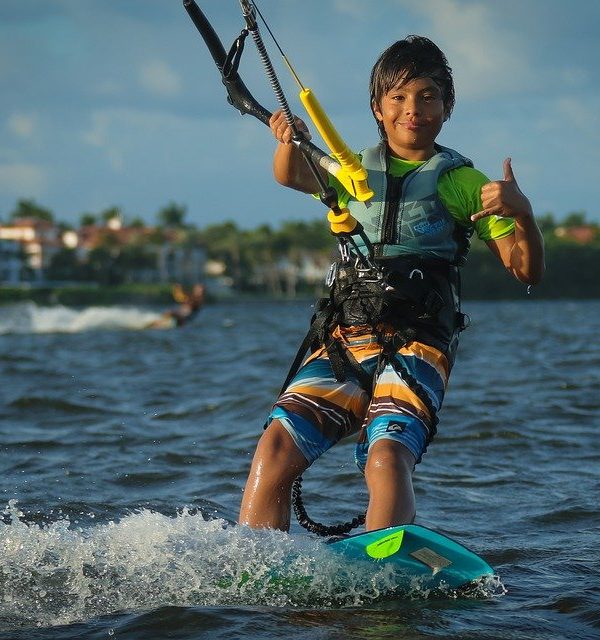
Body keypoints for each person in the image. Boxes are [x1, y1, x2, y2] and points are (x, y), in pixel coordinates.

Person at [239, 36, 545, 532]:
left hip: (419, 343)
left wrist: (523, 214)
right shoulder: (350, 168)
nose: (413, 109)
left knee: (385, 457)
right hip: (344, 337)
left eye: (428, 96)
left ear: (447, 107)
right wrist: (285, 140)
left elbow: (527, 270)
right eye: (399, 97)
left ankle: (382, 570)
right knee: (275, 447)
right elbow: (291, 176)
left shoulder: (462, 181)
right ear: (377, 107)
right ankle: (254, 565)